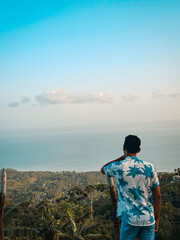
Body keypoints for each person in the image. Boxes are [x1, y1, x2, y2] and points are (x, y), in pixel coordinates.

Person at [101, 135, 161, 240]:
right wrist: (157, 219)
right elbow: (158, 196)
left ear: (124, 147)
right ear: (139, 149)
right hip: (148, 219)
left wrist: (123, 157)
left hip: (129, 219)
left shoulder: (118, 167)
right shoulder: (149, 167)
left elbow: (103, 169)